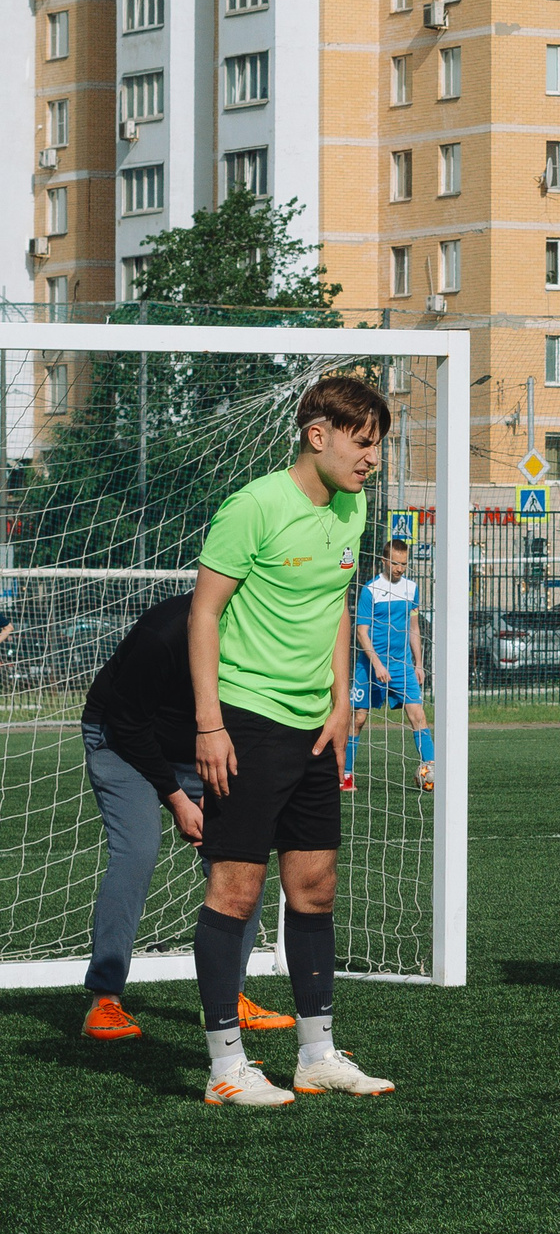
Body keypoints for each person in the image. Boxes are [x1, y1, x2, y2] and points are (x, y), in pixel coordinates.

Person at [188, 375, 399, 1105]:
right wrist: (209, 724)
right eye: (363, 443)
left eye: (379, 446)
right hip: (245, 721)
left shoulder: (353, 505)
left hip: (317, 728)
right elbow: (204, 616)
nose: (373, 459)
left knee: (314, 888)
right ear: (319, 435)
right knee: (236, 889)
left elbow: (336, 603)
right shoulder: (254, 507)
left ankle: (316, 1055)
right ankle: (225, 1067)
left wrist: (344, 700)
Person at [76, 593, 292, 1044]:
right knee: (137, 850)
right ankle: (104, 999)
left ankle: (229, 996)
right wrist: (177, 799)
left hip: (199, 751)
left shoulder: (262, 630)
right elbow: (128, 722)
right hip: (121, 741)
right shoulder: (165, 632)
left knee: (240, 857)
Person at [346, 537, 429, 793]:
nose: (399, 568)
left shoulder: (411, 589)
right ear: (384, 561)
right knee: (358, 719)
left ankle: (431, 770)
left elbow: (414, 628)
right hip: (370, 665)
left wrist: (418, 664)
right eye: (395, 563)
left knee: (418, 716)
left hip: (401, 665)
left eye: (404, 564)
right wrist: (377, 664)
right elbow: (361, 632)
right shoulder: (370, 590)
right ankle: (345, 776)